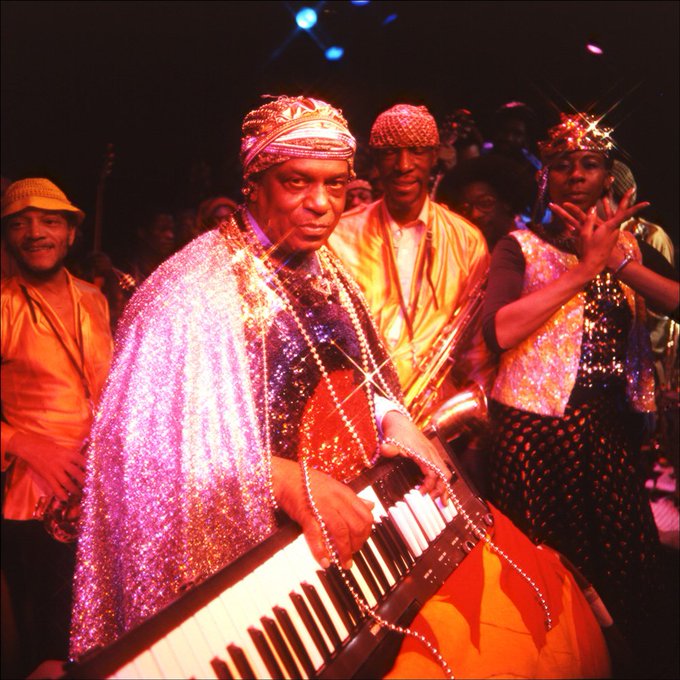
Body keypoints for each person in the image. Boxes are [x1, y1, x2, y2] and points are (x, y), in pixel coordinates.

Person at [70, 96, 610, 679]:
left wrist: (392, 417)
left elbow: (361, 372)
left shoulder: (326, 270)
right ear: (253, 183)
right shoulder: (190, 294)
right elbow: (140, 451)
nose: (322, 204)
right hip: (241, 583)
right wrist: (281, 479)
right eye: (297, 182)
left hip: (341, 541)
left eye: (335, 183)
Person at [482, 113, 679, 675]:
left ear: (606, 176)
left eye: (589, 164)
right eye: (563, 165)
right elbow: (498, 332)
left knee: (625, 569)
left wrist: (617, 262)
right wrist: (582, 270)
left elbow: (674, 302)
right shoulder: (519, 246)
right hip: (535, 437)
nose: (575, 175)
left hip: (609, 432)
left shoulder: (635, 247)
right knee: (540, 571)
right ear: (546, 176)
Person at [328, 104, 493, 445]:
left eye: (416, 152)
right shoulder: (337, 236)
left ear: (434, 157)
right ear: (375, 160)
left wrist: (461, 419)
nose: (403, 166)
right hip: (360, 420)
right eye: (390, 153)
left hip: (440, 427)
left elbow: (476, 348)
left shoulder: (467, 240)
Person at [1, 178, 113, 678]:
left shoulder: (94, 297)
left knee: (95, 636)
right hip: (33, 500)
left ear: (71, 233)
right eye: (20, 223)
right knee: (46, 649)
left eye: (49, 220)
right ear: (6, 238)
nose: (35, 232)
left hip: (98, 491)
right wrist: (25, 443)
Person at [437, 154, 534, 251]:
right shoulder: (465, 257)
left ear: (506, 202)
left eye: (485, 203)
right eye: (465, 209)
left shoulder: (532, 249)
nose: (475, 214)